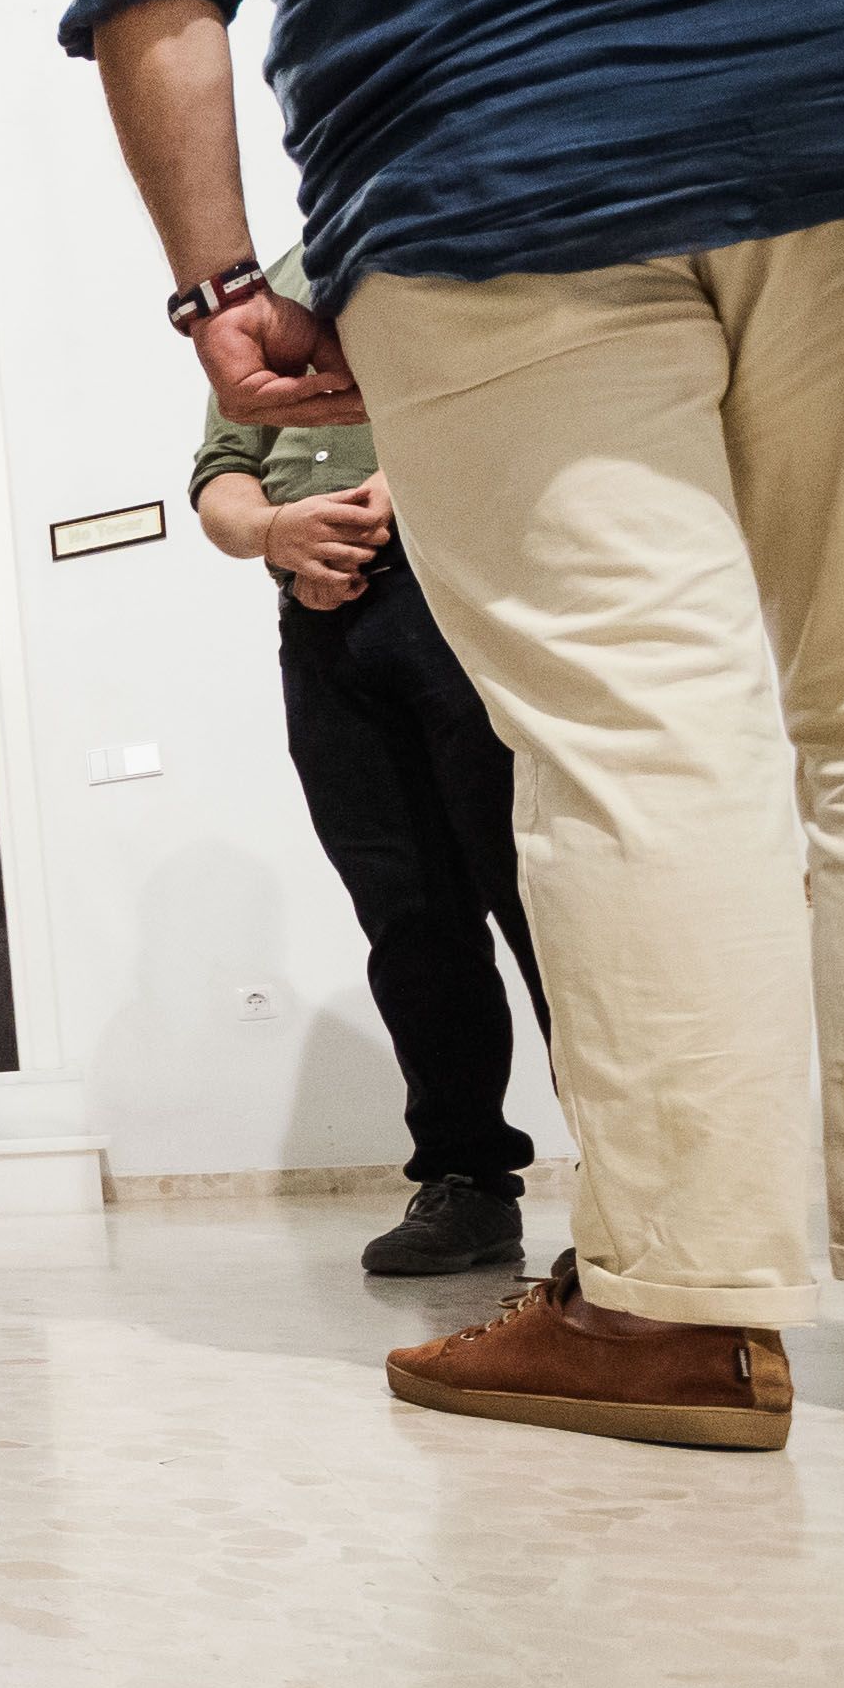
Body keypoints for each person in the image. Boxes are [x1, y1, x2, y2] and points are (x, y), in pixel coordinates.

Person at [65, 0, 844, 1449]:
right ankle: (487, 1175)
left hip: (500, 156)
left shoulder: (323, 282)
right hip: (822, 71)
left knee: (635, 750)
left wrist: (217, 285)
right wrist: (284, 529)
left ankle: (678, 1305)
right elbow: (218, 482)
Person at [188, 244, 549, 1275]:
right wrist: (279, 533)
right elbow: (222, 479)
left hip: (456, 585)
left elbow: (496, 394)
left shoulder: (431, 249)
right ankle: (468, 1184)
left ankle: (634, 1177)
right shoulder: (266, 300)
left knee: (538, 889)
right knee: (409, 920)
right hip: (325, 635)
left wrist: (383, 499)